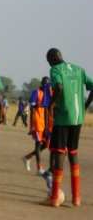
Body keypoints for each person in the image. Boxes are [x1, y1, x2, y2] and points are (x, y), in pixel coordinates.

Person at [40, 48, 93, 207]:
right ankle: (76, 197)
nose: (49, 64)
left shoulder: (55, 69)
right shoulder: (79, 69)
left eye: (49, 61)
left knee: (58, 156)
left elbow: (59, 87)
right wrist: (85, 106)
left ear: (52, 59)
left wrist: (51, 103)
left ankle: (54, 197)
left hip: (63, 118)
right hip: (78, 118)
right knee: (73, 155)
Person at [21, 77, 50, 176]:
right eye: (44, 84)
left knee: (46, 144)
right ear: (41, 83)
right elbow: (32, 108)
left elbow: (47, 108)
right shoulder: (36, 92)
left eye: (47, 84)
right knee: (38, 144)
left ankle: (28, 157)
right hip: (37, 121)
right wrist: (31, 126)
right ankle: (39, 168)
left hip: (45, 122)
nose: (46, 86)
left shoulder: (48, 93)